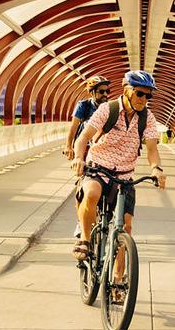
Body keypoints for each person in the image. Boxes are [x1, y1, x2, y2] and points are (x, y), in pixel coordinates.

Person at [71, 70, 165, 262]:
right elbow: (83, 138)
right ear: (126, 90)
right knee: (91, 193)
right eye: (139, 93)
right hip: (99, 167)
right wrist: (79, 158)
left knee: (126, 229)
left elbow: (152, 150)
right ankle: (85, 239)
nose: (144, 99)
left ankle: (119, 281)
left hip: (125, 176)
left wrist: (156, 169)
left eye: (148, 95)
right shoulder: (108, 109)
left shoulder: (148, 118)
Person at [64, 76, 111, 162]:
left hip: (103, 146)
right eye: (101, 91)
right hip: (85, 144)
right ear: (91, 93)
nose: (105, 94)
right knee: (81, 168)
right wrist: (68, 146)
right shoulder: (84, 105)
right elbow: (74, 126)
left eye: (107, 91)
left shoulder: (110, 107)